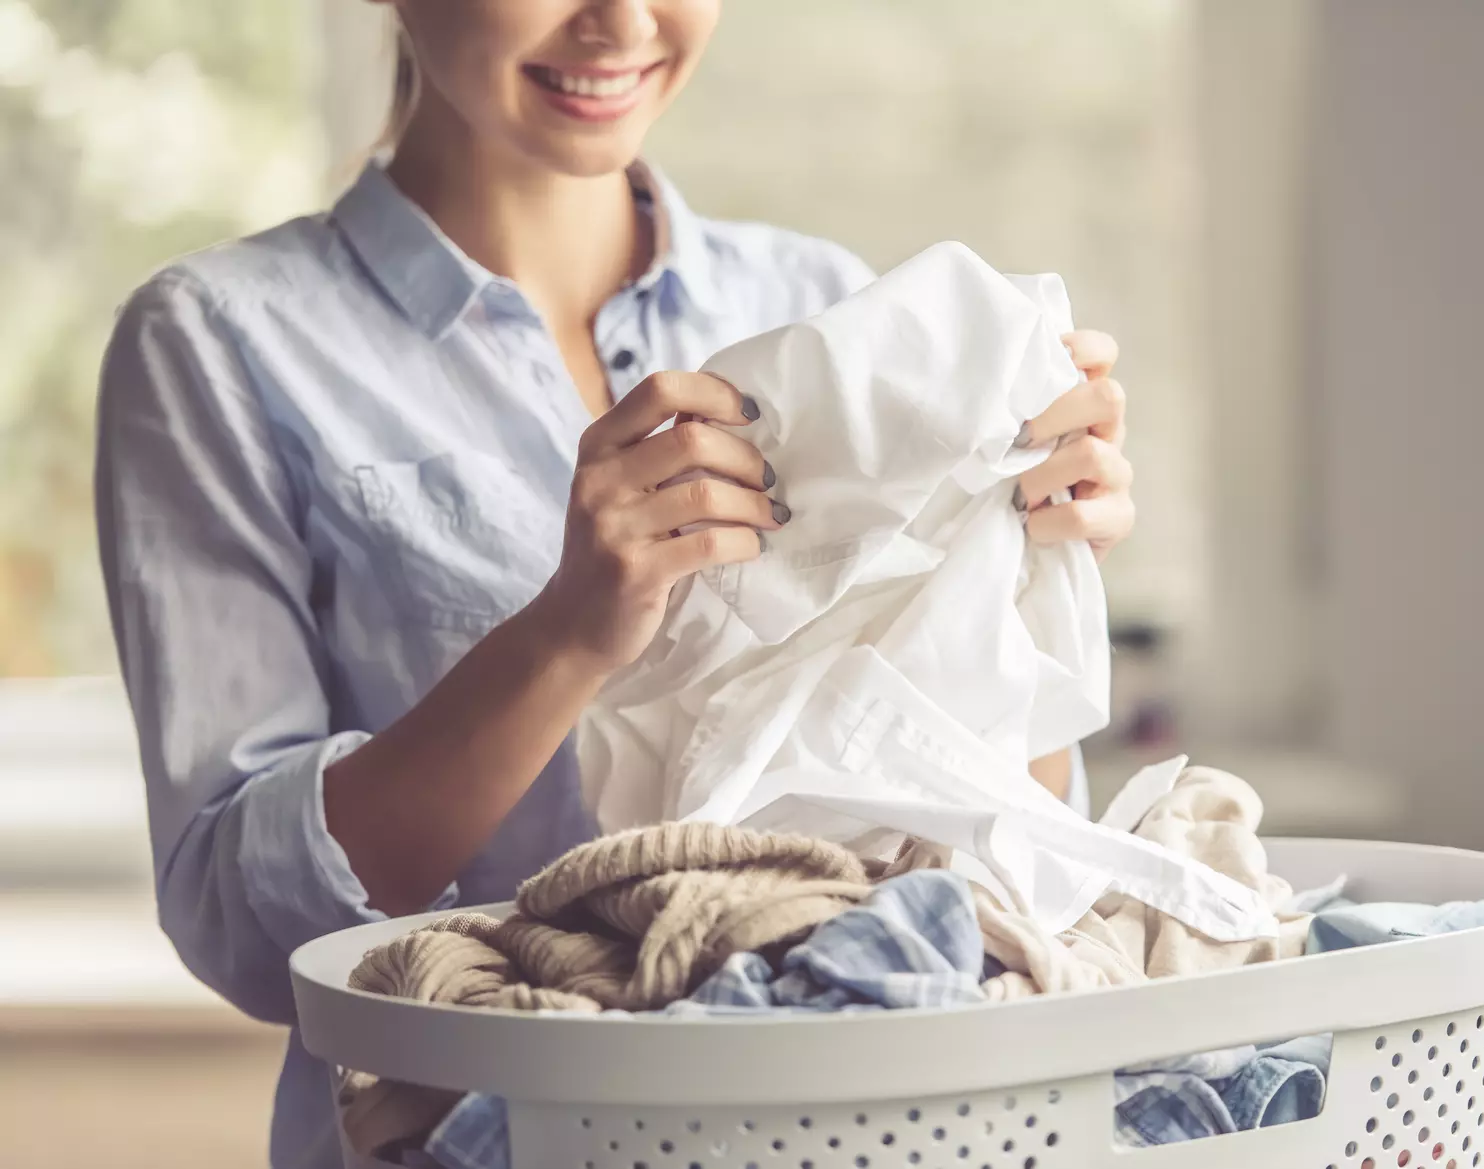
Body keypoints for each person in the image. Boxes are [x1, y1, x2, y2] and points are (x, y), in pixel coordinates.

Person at [94, 2, 1136, 1166]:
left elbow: (994, 860)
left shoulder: (830, 304)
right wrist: (564, 637)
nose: (621, 22)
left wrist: (1022, 573)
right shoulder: (217, 343)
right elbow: (245, 929)